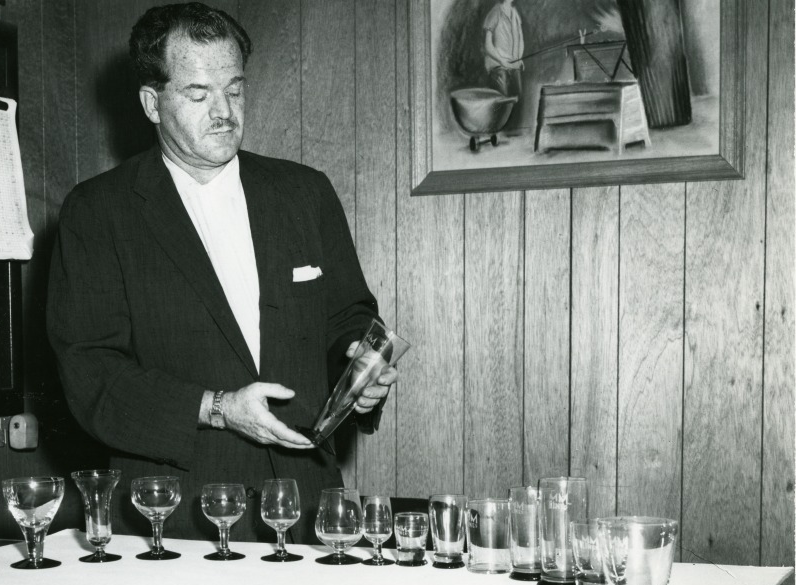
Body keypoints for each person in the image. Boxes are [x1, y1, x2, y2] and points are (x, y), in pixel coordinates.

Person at [47, 3, 397, 544]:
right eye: (198, 94)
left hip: (306, 509)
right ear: (152, 103)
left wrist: (359, 369)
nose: (224, 112)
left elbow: (349, 317)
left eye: (234, 90)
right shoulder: (98, 213)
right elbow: (92, 376)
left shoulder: (305, 194)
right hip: (172, 520)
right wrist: (218, 409)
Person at [482, 0, 524, 101]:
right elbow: (487, 45)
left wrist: (519, 58)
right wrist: (501, 61)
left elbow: (520, 39)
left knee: (518, 99)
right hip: (498, 66)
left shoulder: (515, 13)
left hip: (514, 65)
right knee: (503, 101)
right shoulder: (495, 12)